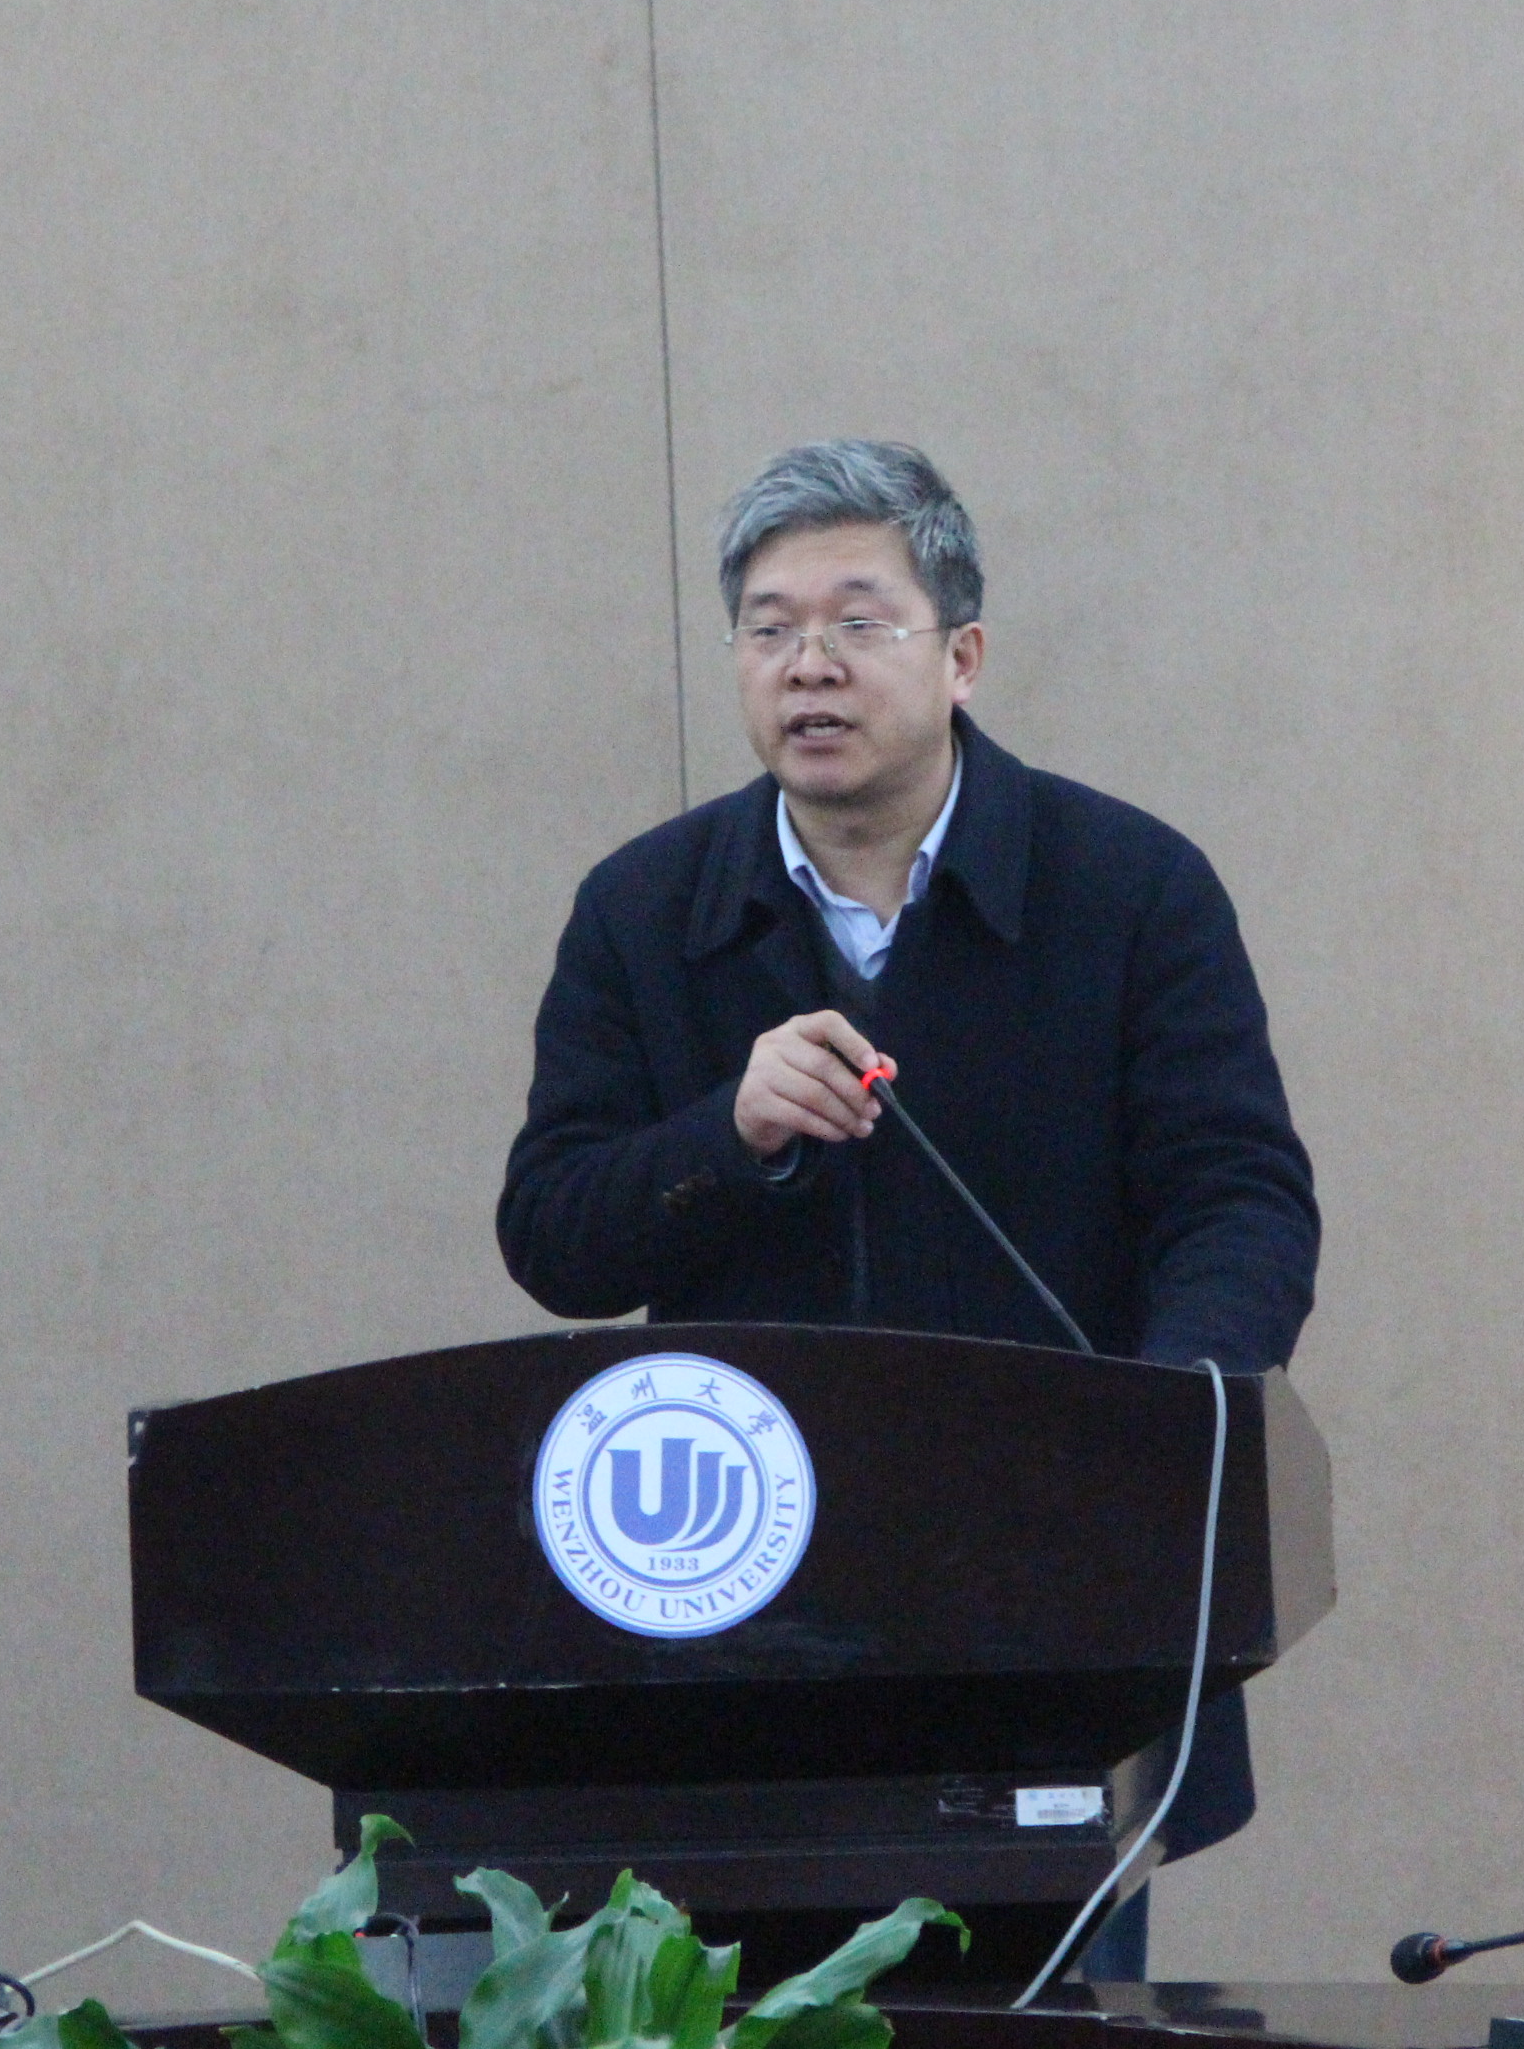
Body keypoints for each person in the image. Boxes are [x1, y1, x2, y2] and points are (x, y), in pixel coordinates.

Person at [498, 439, 1320, 1972]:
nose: (807, 666)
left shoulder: (1130, 889)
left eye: (857, 623)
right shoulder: (646, 911)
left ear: (963, 656)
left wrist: (1158, 1433)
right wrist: (727, 1132)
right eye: (768, 628)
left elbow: (1240, 1201)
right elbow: (551, 1229)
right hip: (750, 1622)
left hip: (1056, 1610)